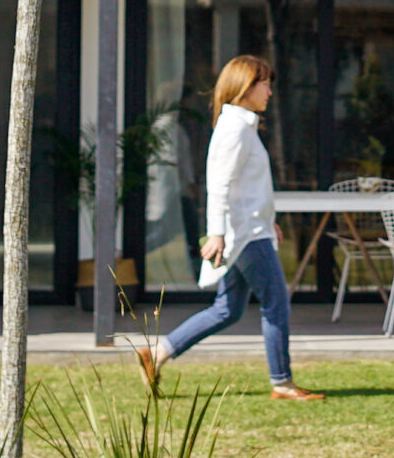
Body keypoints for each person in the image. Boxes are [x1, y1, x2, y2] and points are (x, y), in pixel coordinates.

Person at [137, 54, 323, 401]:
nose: (269, 91)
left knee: (228, 310)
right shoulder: (235, 129)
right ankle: (282, 383)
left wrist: (271, 224)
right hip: (245, 235)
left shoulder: (242, 126)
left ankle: (157, 354)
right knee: (276, 304)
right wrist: (218, 233)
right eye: (264, 83)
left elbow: (248, 188)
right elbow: (219, 184)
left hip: (252, 230)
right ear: (244, 88)